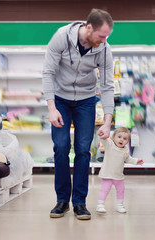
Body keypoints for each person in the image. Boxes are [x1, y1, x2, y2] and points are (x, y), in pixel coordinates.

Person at [42, 8, 115, 220]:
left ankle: (80, 203)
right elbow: (48, 72)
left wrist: (108, 122)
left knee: (84, 150)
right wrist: (51, 107)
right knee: (61, 146)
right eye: (101, 36)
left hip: (86, 101)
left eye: (107, 37)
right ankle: (62, 200)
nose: (104, 40)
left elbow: (107, 85)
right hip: (61, 99)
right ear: (88, 27)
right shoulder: (61, 37)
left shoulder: (103, 49)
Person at [96, 127, 144, 213]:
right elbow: (103, 141)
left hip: (118, 176)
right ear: (113, 137)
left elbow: (128, 159)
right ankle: (100, 204)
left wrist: (136, 161)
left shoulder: (125, 150)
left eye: (125, 138)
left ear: (127, 142)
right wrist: (102, 135)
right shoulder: (109, 144)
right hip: (107, 174)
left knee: (121, 190)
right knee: (105, 189)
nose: (121, 140)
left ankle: (119, 205)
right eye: (119, 137)